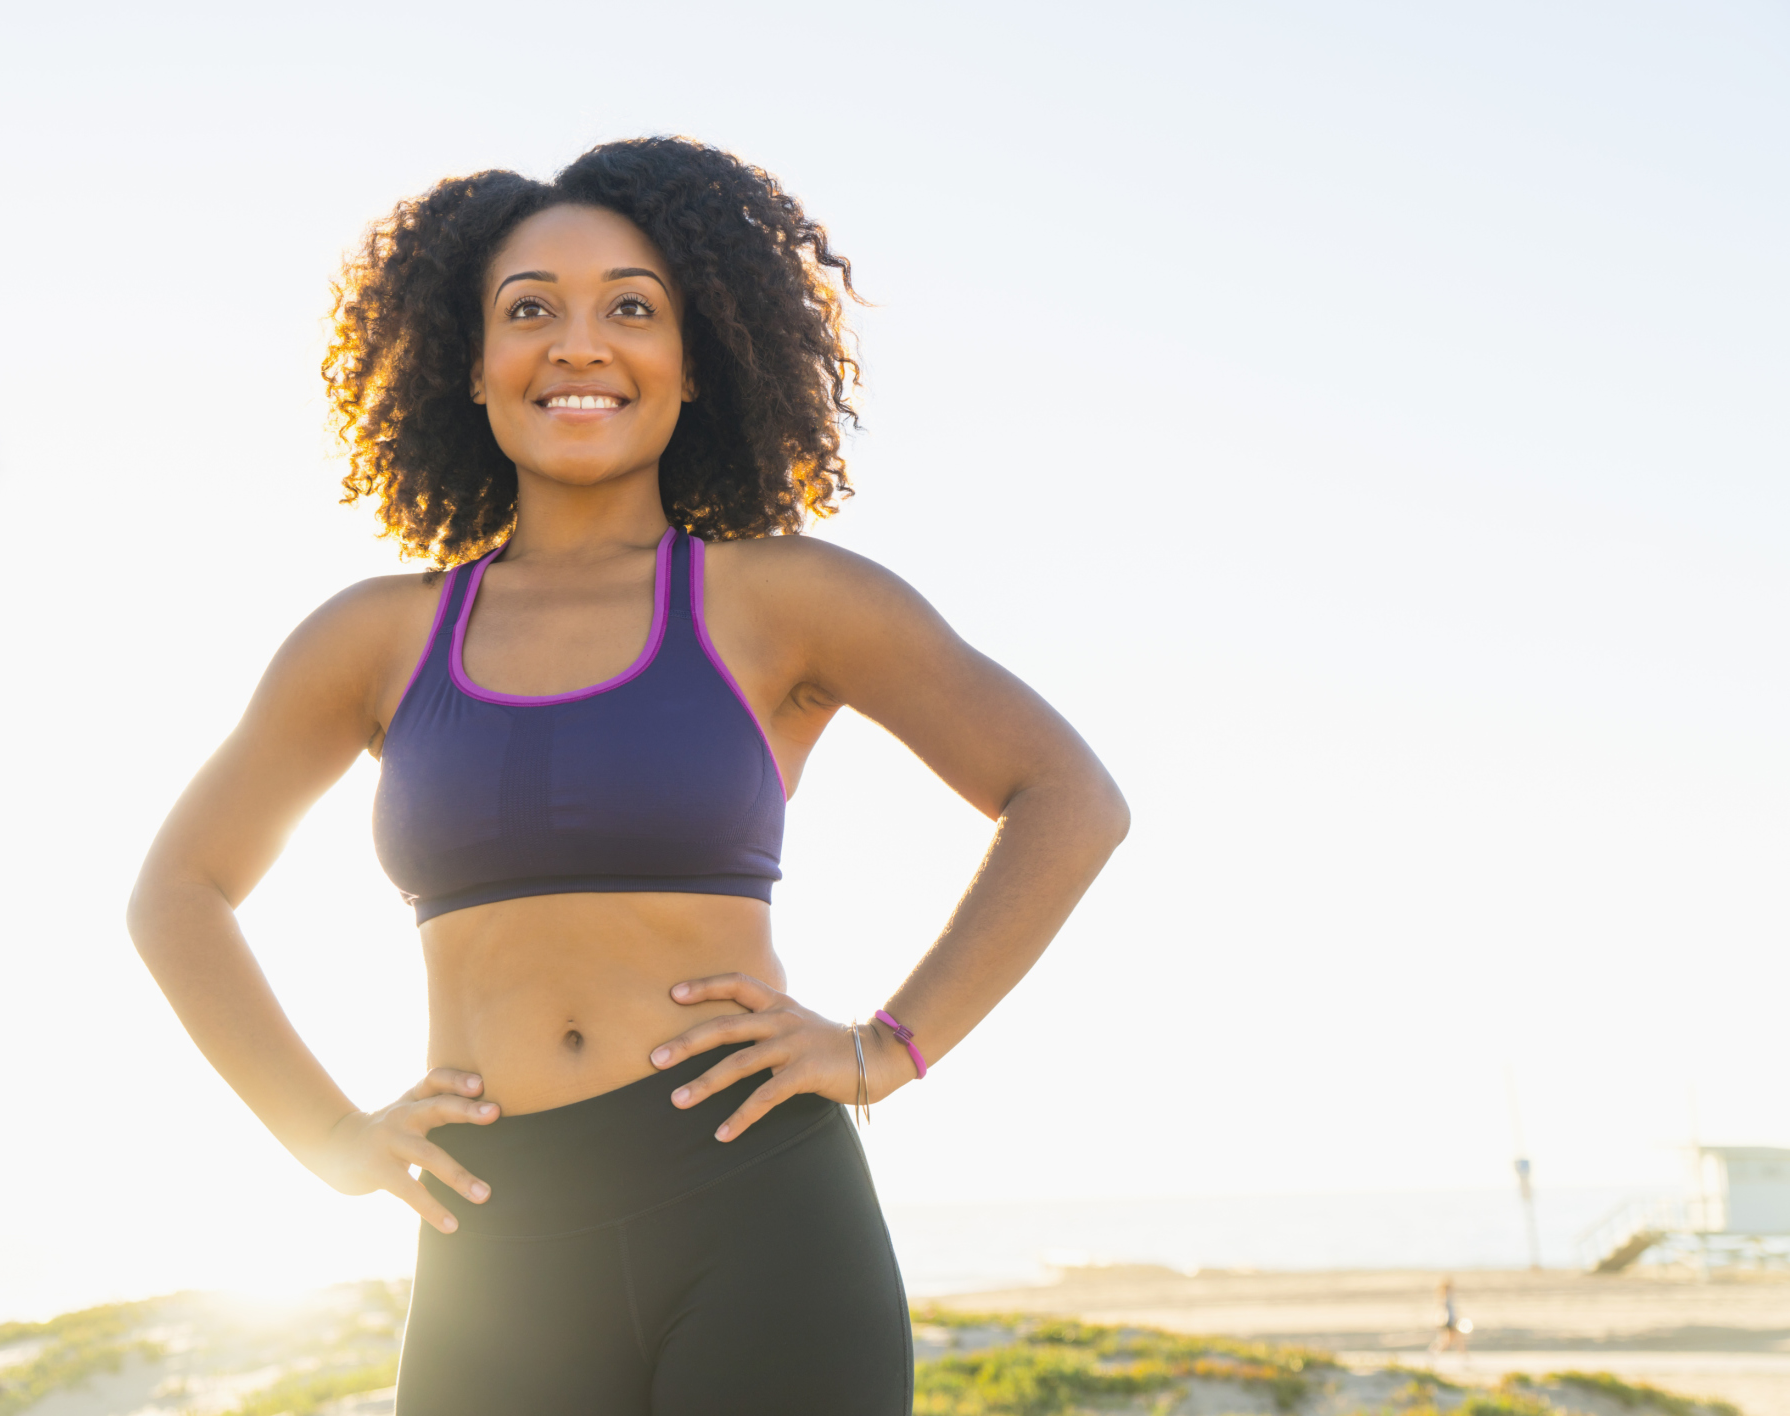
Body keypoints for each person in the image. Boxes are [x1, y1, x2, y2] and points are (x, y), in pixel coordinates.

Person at [127, 136, 1130, 1415]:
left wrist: (884, 1048)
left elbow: (1065, 796)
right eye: (528, 309)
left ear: (695, 359)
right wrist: (327, 1136)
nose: (579, 344)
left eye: (631, 309)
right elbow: (178, 892)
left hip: (757, 1210)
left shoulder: (789, 601)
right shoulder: (371, 639)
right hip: (494, 1241)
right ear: (469, 365)